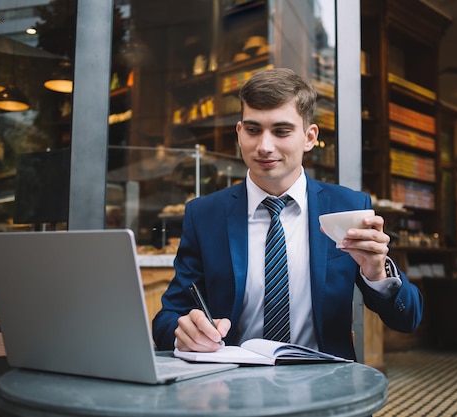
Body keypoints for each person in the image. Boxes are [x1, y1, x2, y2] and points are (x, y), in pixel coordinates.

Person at [152, 68, 422, 360]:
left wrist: (377, 274)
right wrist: (184, 334)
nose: (264, 147)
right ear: (240, 133)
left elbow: (407, 319)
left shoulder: (346, 206)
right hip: (230, 388)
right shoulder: (205, 215)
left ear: (309, 137)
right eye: (254, 130)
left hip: (324, 387)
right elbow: (168, 318)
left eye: (281, 131)